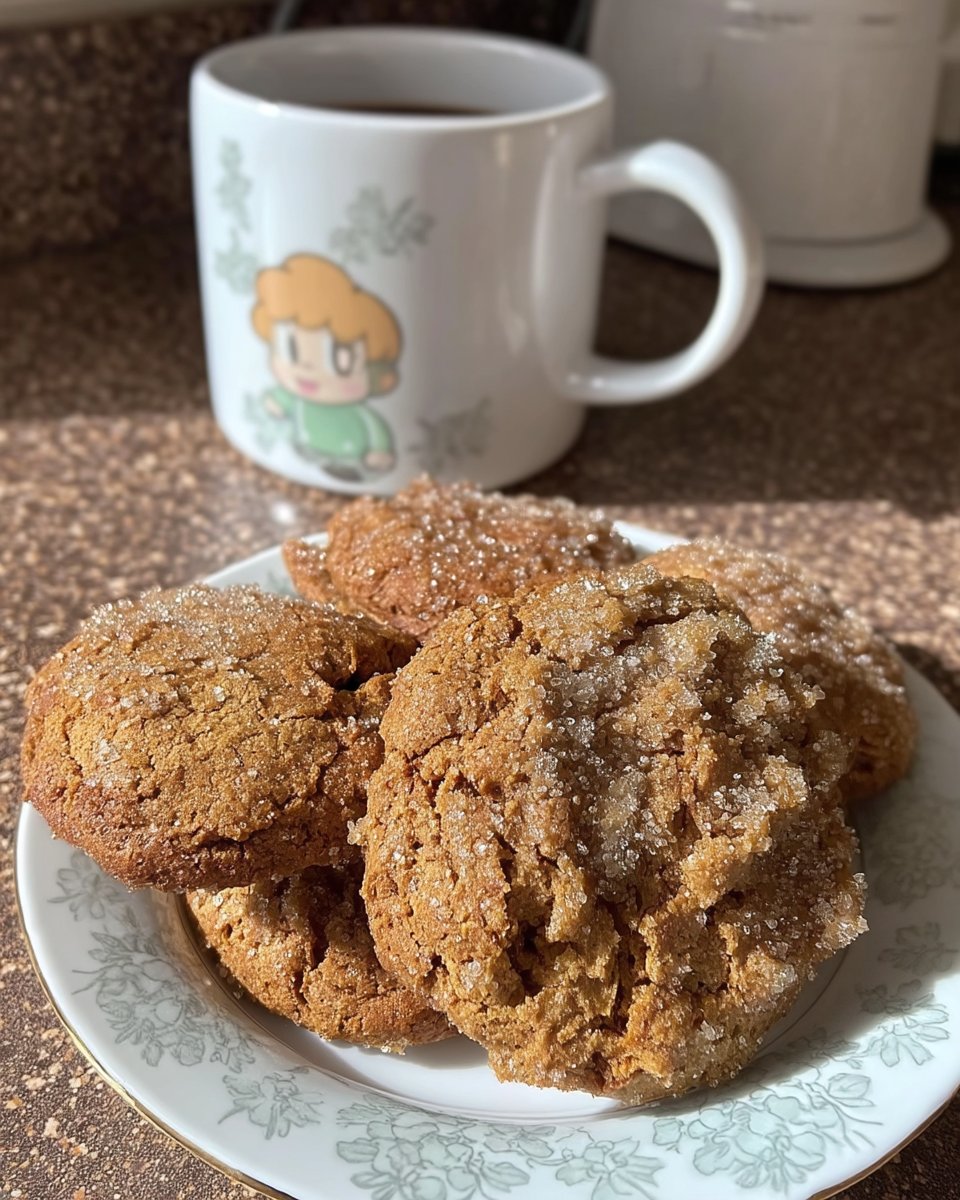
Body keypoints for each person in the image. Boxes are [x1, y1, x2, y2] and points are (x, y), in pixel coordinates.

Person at [251, 254, 400, 481]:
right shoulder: (297, 400)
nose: (307, 368)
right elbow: (282, 400)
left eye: (339, 359)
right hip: (307, 451)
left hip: (354, 461)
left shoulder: (363, 415)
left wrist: (379, 452)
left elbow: (376, 432)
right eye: (291, 348)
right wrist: (276, 404)